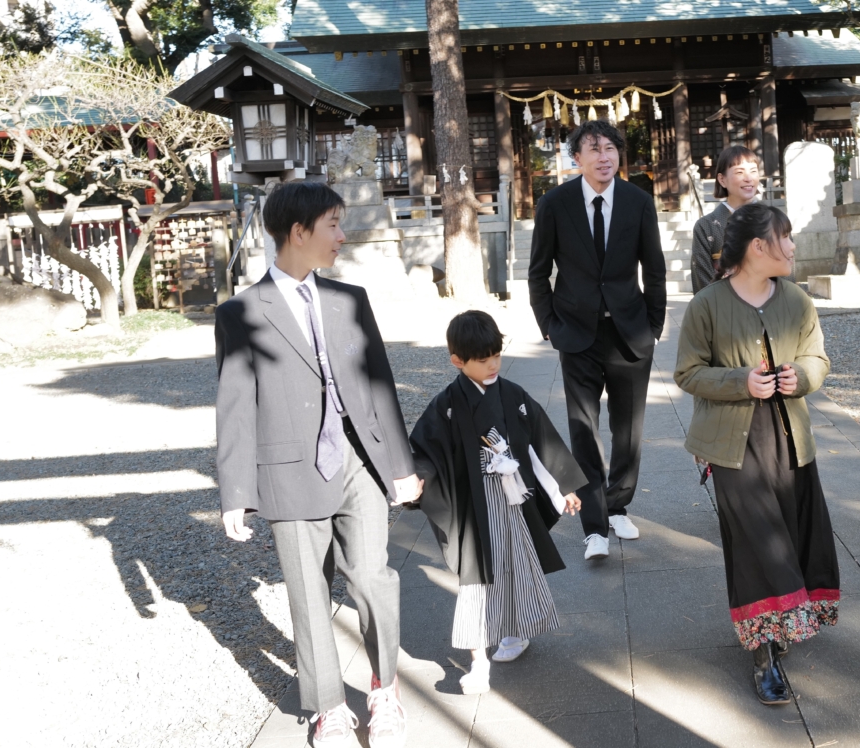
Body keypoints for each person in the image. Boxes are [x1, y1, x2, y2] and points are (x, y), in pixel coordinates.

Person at [215, 182, 420, 748]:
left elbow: (381, 386)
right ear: (298, 232)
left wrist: (400, 464)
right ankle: (328, 706)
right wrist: (235, 490)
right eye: (332, 224)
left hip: (360, 459)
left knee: (373, 576)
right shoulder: (240, 311)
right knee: (308, 591)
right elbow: (235, 404)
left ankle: (384, 689)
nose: (341, 235)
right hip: (288, 468)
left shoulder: (349, 299)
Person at [674, 202, 838, 706]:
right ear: (758, 247)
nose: (792, 247)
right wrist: (739, 381)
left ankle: (783, 621)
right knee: (755, 544)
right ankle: (762, 654)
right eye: (784, 238)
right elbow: (687, 372)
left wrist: (802, 376)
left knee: (792, 531)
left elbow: (818, 358)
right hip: (732, 444)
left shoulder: (797, 301)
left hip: (790, 435)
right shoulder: (706, 304)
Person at [408, 311, 588, 695]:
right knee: (475, 580)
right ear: (457, 360)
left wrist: (565, 484)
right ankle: (478, 661)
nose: (492, 365)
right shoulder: (447, 405)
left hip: (512, 498)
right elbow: (423, 449)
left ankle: (514, 631)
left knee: (516, 566)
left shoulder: (513, 396)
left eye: (496, 355)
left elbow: (543, 439)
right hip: (474, 505)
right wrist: (415, 480)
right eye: (482, 358)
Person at [527, 120, 667, 561]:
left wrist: (655, 324)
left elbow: (655, 268)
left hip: (629, 330)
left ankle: (619, 503)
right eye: (595, 149)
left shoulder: (638, 202)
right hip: (576, 332)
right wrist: (548, 323)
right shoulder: (555, 203)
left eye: (612, 148)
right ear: (577, 157)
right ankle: (594, 526)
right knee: (583, 430)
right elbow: (538, 271)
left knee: (628, 429)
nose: (605, 156)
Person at [690, 145, 761, 293]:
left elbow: (786, 271)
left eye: (753, 171)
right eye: (740, 172)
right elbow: (703, 282)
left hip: (769, 310)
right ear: (722, 179)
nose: (748, 178)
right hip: (724, 311)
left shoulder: (775, 220)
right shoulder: (706, 226)